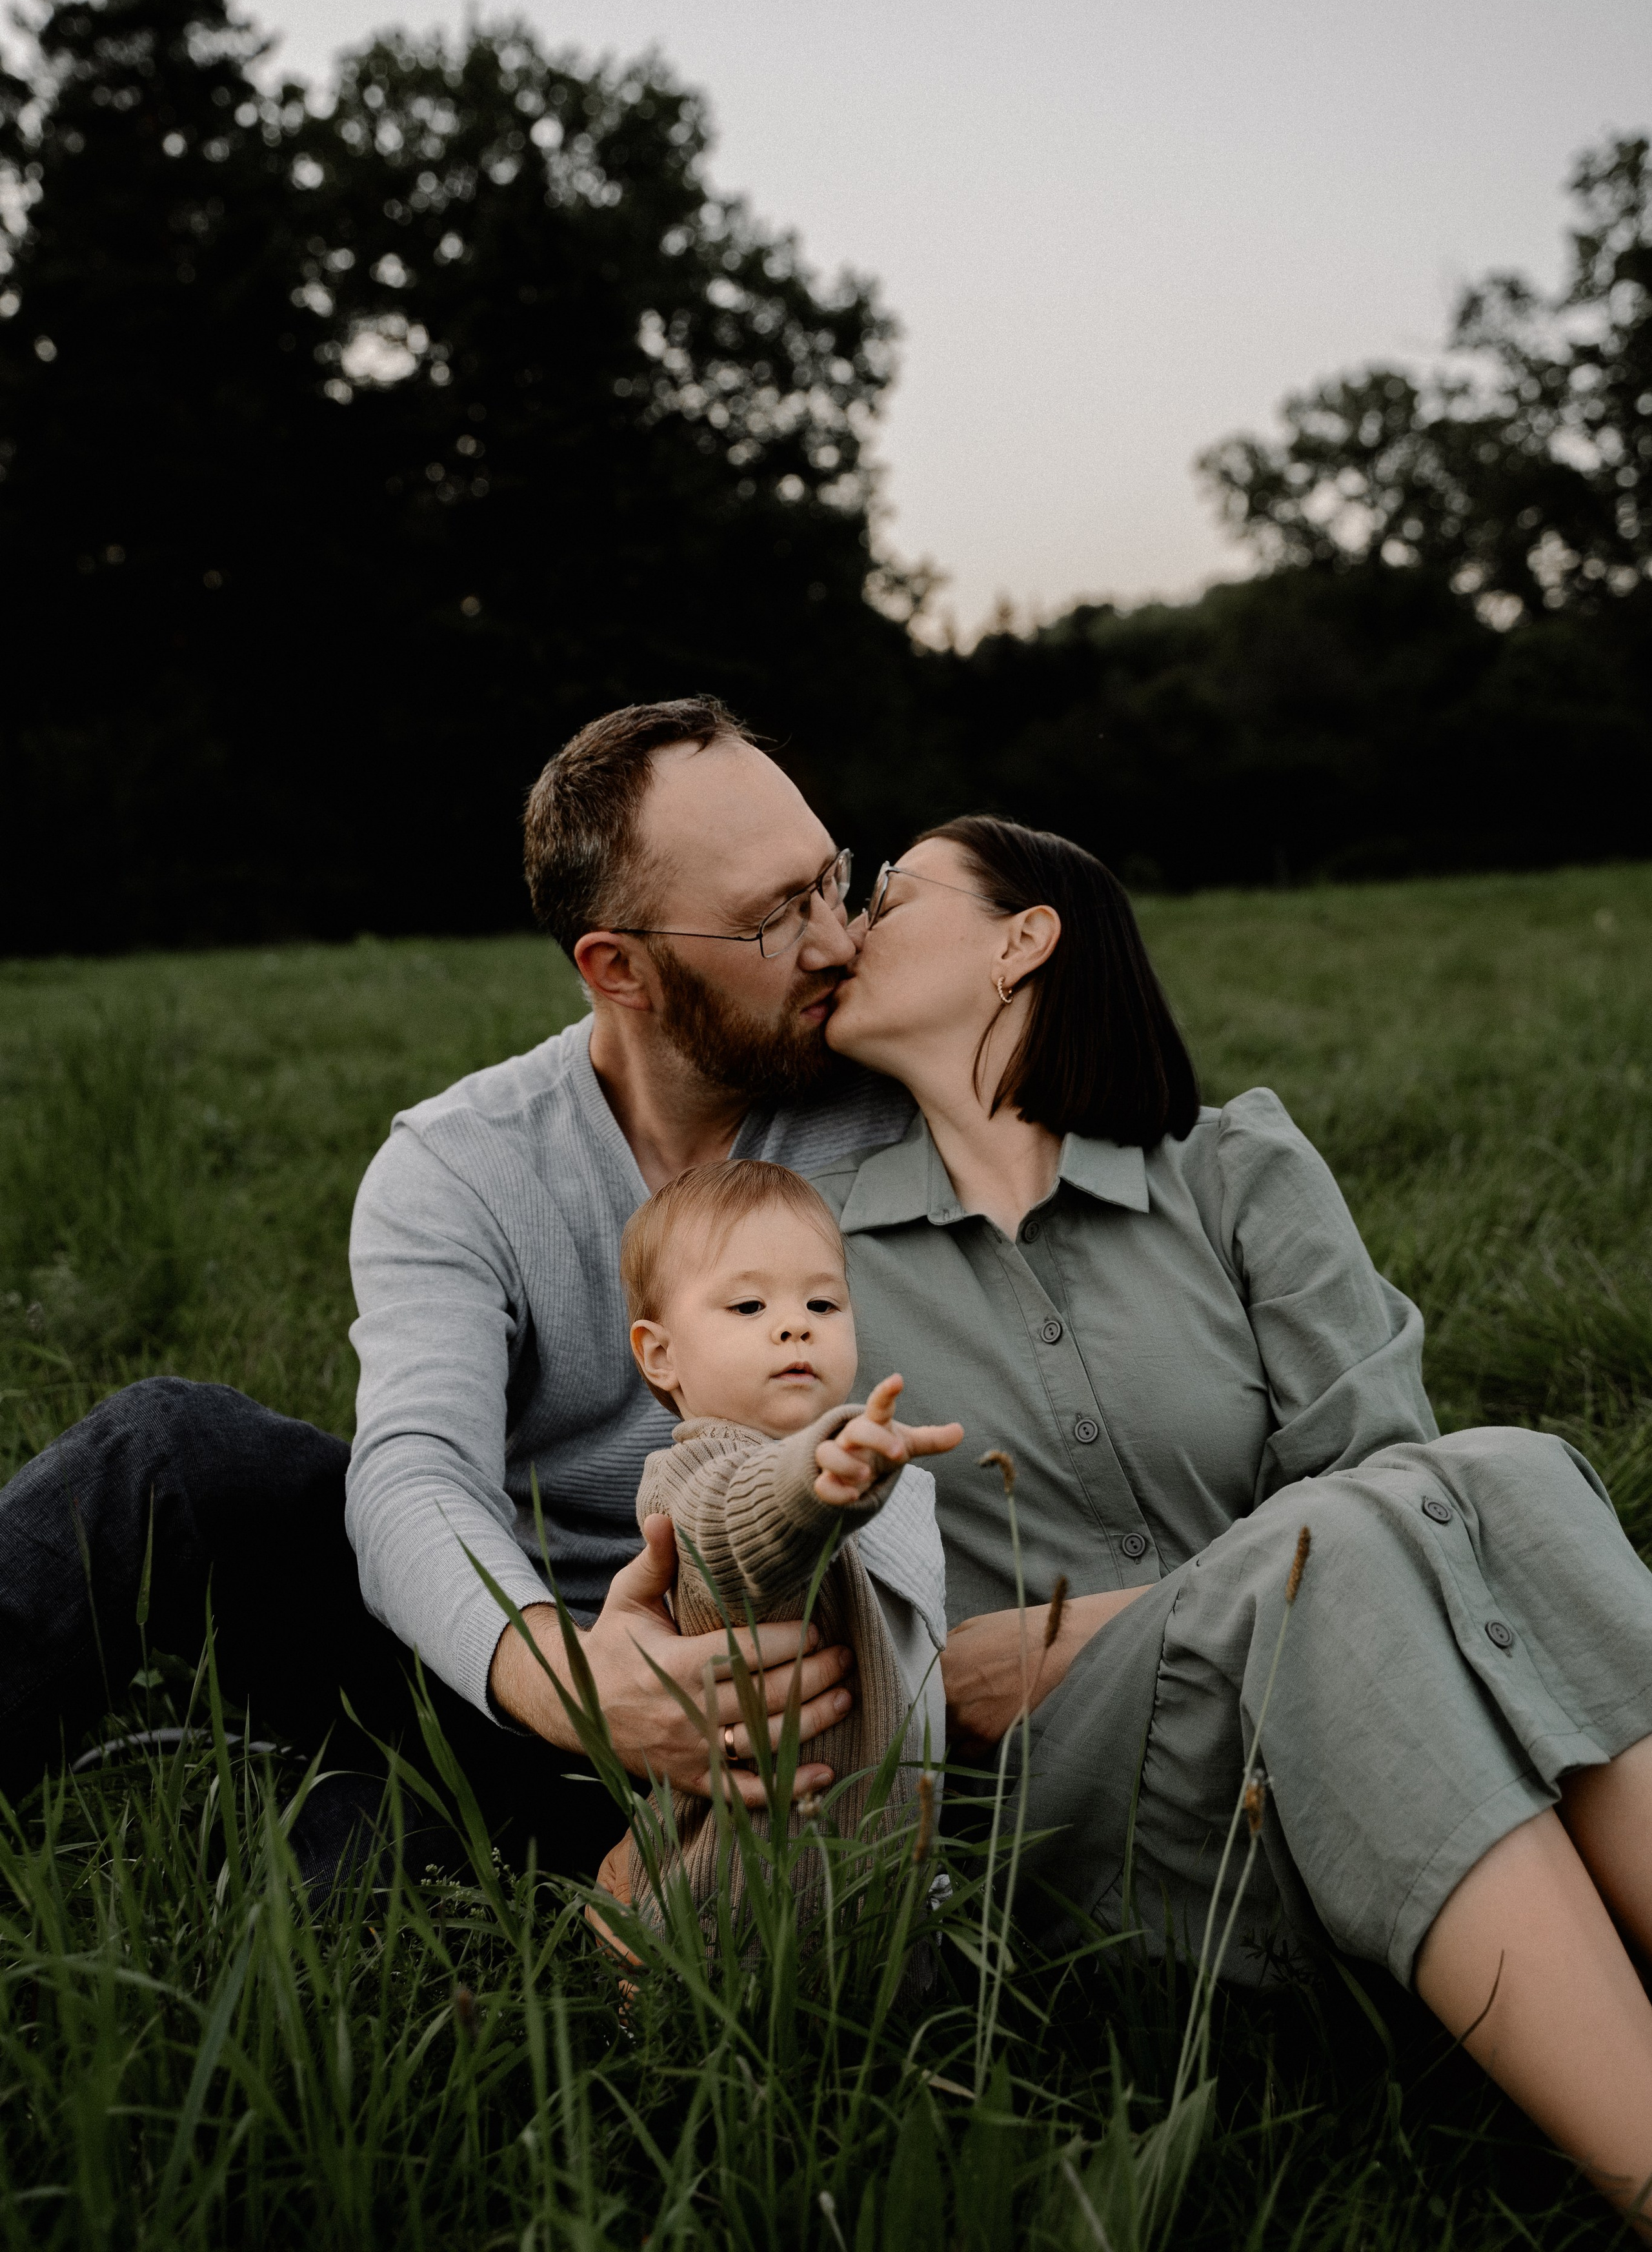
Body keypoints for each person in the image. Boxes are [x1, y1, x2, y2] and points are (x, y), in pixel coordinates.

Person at [805, 810, 1652, 2232]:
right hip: (1086, 1828)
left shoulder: (1231, 1169)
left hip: (1370, 1733)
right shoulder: (808, 1257)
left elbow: (1399, 1486)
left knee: (1492, 1472)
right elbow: (871, 1636)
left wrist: (1080, 1628)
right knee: (1364, 1536)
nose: (850, 928)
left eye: (890, 894)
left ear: (1024, 940)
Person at [0, 697, 911, 1868]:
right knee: (171, 1449)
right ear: (618, 969)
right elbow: (413, 1474)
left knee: (355, 1878)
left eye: (829, 881)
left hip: (804, 1693)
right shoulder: (463, 1160)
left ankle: (407, 1826)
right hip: (515, 1666)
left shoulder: (889, 1102)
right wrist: (573, 1683)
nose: (834, 941)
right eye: (773, 921)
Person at [598, 1156, 956, 1933]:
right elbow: (730, 1534)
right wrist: (810, 1483)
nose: (794, 1324)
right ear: (660, 1354)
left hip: (885, 1873)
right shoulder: (689, 1476)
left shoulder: (871, 1476)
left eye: (822, 1302)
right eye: (749, 1305)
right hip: (743, 1899)